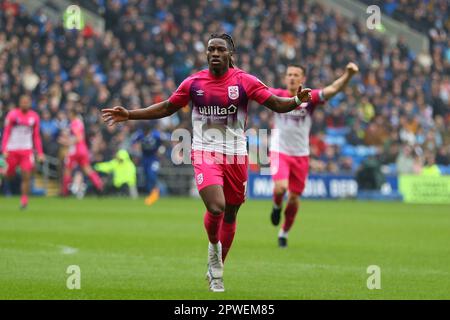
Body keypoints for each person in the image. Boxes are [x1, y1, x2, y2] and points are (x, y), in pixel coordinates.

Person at [102, 33, 312, 292]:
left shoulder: (245, 82)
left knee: (232, 213)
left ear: (229, 54)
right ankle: (214, 247)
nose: (214, 53)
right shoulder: (194, 83)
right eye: (210, 49)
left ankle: (216, 269)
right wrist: (130, 115)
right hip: (205, 152)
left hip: (236, 155)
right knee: (216, 208)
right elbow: (168, 106)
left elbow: (276, 105)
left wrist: (295, 101)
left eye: (220, 50)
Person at [268, 63, 359, 248]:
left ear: (302, 79)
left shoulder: (309, 97)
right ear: (285, 78)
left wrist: (348, 75)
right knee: (280, 188)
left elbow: (332, 89)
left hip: (301, 154)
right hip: (280, 151)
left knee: (294, 198)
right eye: (289, 74)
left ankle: (284, 233)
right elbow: (251, 86)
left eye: (296, 75)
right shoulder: (277, 95)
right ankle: (277, 206)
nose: (292, 77)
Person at [1, 94, 45, 209]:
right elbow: (6, 133)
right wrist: (4, 149)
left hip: (26, 150)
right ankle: (3, 174)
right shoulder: (12, 115)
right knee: (9, 175)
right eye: (23, 102)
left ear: (30, 103)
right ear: (20, 103)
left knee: (26, 175)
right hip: (12, 150)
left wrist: (40, 153)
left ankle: (24, 200)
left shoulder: (34, 117)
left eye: (27, 102)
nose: (25, 104)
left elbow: (36, 136)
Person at [59, 109, 104, 196]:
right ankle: (99, 187)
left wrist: (66, 142)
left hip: (74, 150)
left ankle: (64, 192)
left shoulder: (74, 123)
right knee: (87, 169)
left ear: (72, 114)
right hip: (83, 150)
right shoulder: (80, 123)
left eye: (69, 114)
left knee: (67, 170)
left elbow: (79, 137)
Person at [131, 124, 162, 205]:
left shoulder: (156, 135)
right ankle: (151, 194)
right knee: (146, 176)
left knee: (152, 175)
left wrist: (160, 151)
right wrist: (136, 148)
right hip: (145, 158)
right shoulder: (140, 135)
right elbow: (133, 141)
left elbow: (162, 143)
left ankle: (155, 194)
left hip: (153, 158)